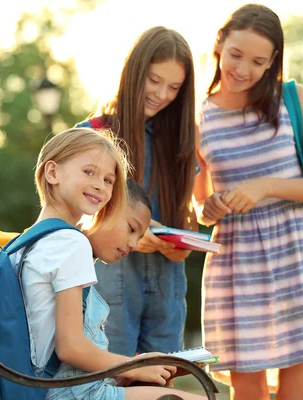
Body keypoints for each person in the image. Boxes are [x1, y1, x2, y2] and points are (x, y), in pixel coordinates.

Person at [193, 4, 303, 400]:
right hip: (237, 262)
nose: (243, 69)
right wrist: (209, 207)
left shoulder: (292, 98)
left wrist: (265, 186)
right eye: (235, 55)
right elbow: (198, 208)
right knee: (247, 391)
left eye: (257, 61)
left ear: (273, 61)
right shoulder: (198, 118)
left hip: (300, 253)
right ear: (219, 43)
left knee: (293, 392)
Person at [14, 127, 203, 400]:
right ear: (52, 173)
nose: (100, 186)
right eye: (89, 172)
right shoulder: (70, 242)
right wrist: (134, 366)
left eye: (108, 179)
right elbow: (70, 348)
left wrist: (130, 370)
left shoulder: (30, 241)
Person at [75, 26, 198, 358]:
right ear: (134, 73)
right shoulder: (94, 135)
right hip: (108, 286)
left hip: (167, 288)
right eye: (154, 81)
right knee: (110, 386)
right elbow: (69, 216)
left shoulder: (181, 141)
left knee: (160, 387)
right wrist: (122, 226)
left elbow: (188, 215)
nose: (161, 94)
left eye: (174, 87)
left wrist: (181, 245)